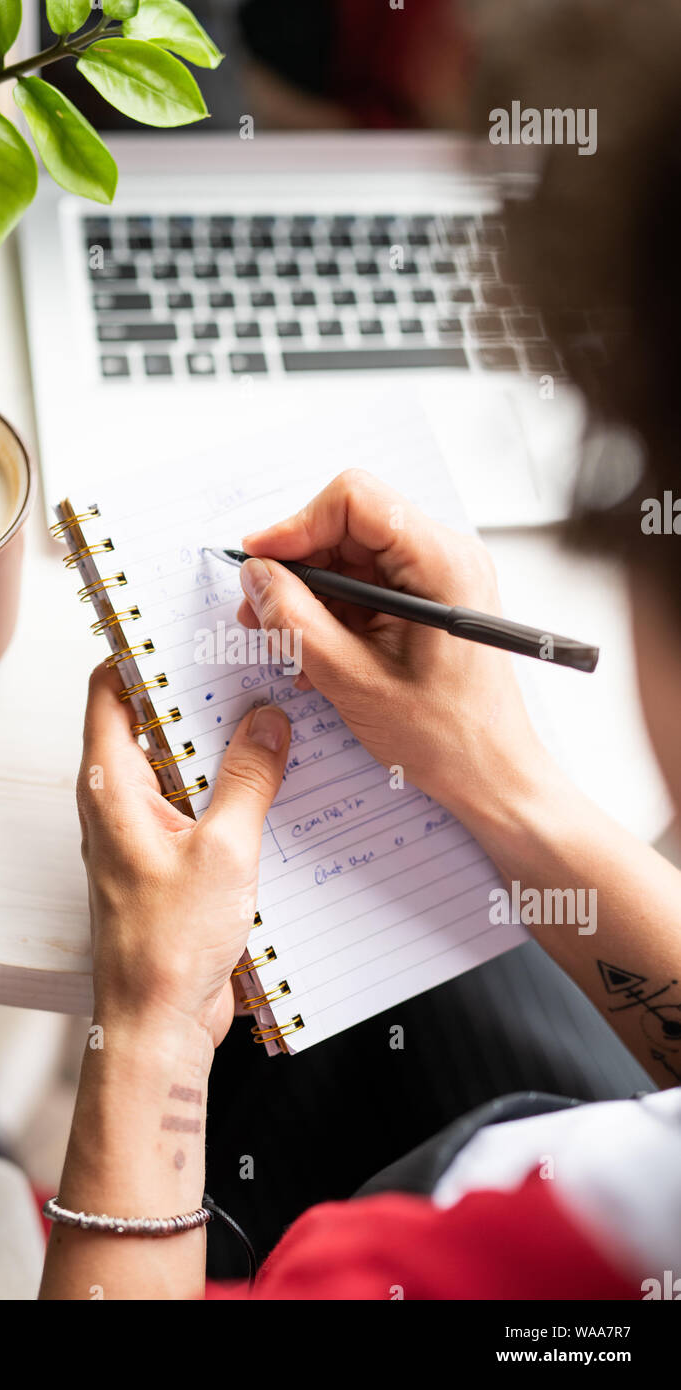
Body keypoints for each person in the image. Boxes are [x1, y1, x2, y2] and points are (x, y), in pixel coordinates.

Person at [38, 0, 681, 1300]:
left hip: (367, 1222)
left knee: (248, 1029)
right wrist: (503, 780)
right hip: (552, 1123)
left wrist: (151, 1025)